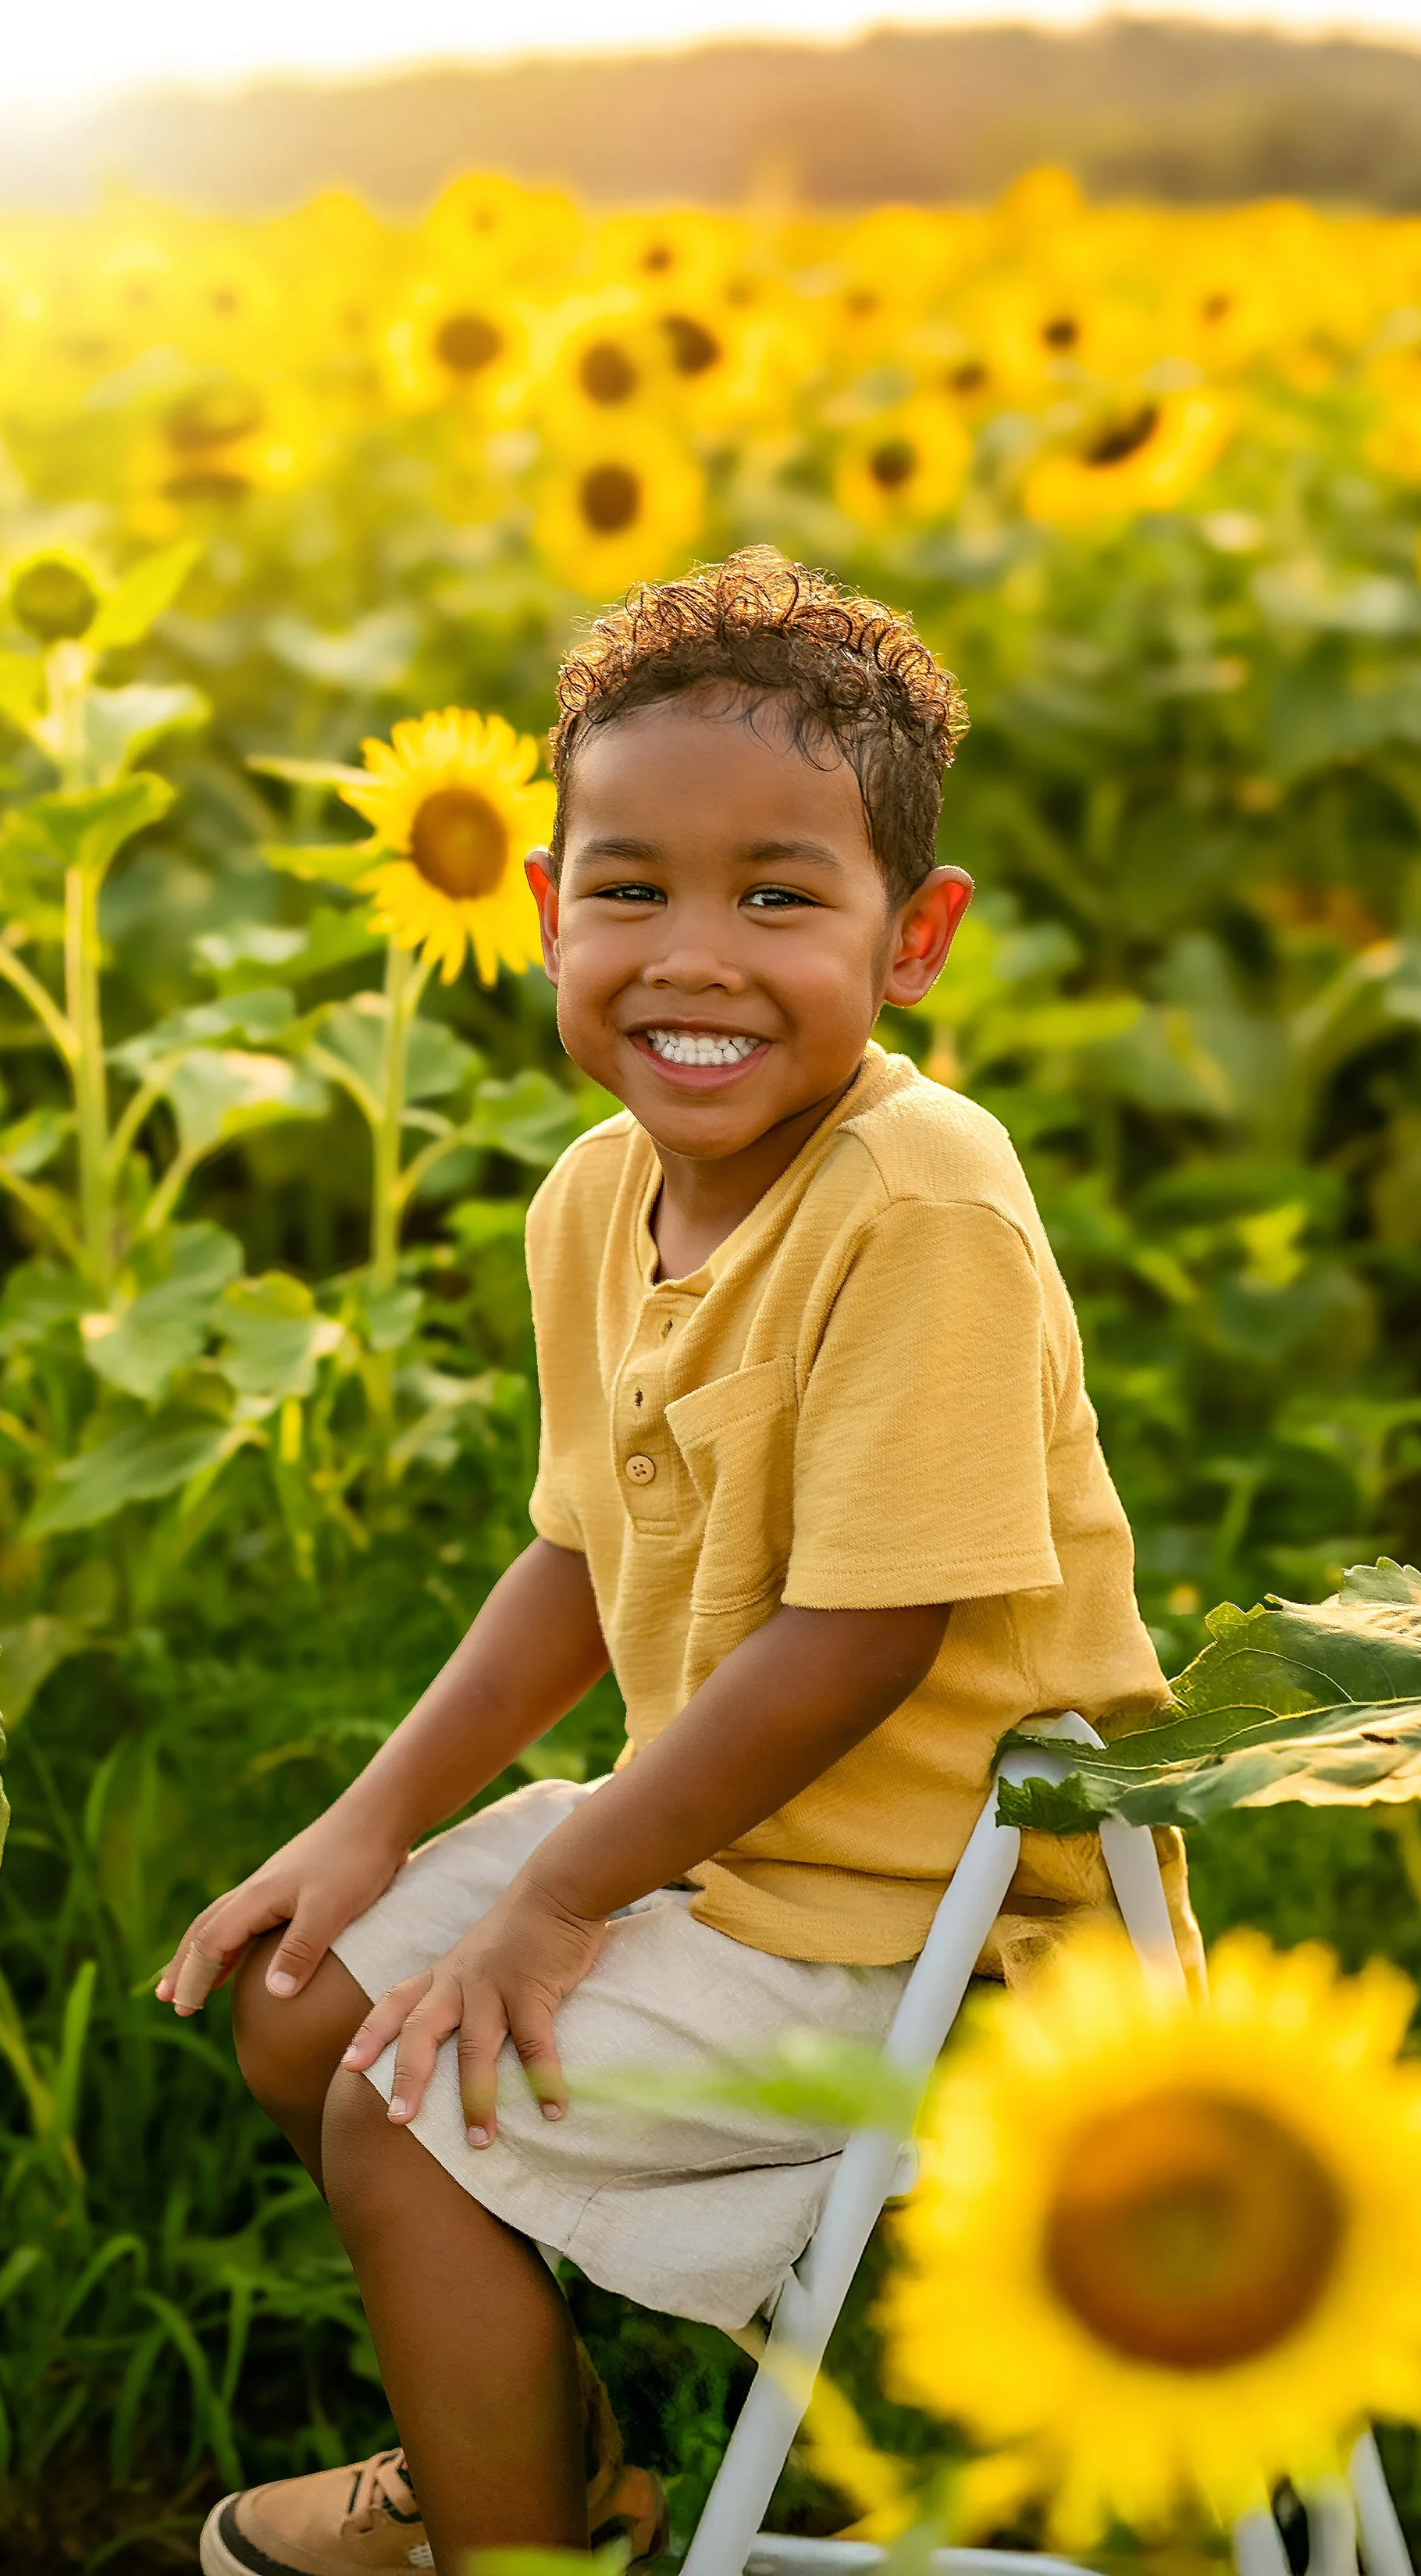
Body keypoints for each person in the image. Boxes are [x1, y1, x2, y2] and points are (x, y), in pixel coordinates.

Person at [158, 547, 1198, 2576]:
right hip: (724, 1853)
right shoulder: (594, 1196)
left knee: (391, 2107)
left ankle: (509, 2552)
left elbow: (869, 1636)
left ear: (918, 938)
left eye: (780, 893)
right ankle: (569, 2481)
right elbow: (580, 1546)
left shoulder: (926, 1203)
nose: (691, 956)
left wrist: (561, 1887)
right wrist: (378, 1821)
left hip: (943, 1924)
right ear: (549, 912)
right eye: (630, 886)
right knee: (304, 2001)